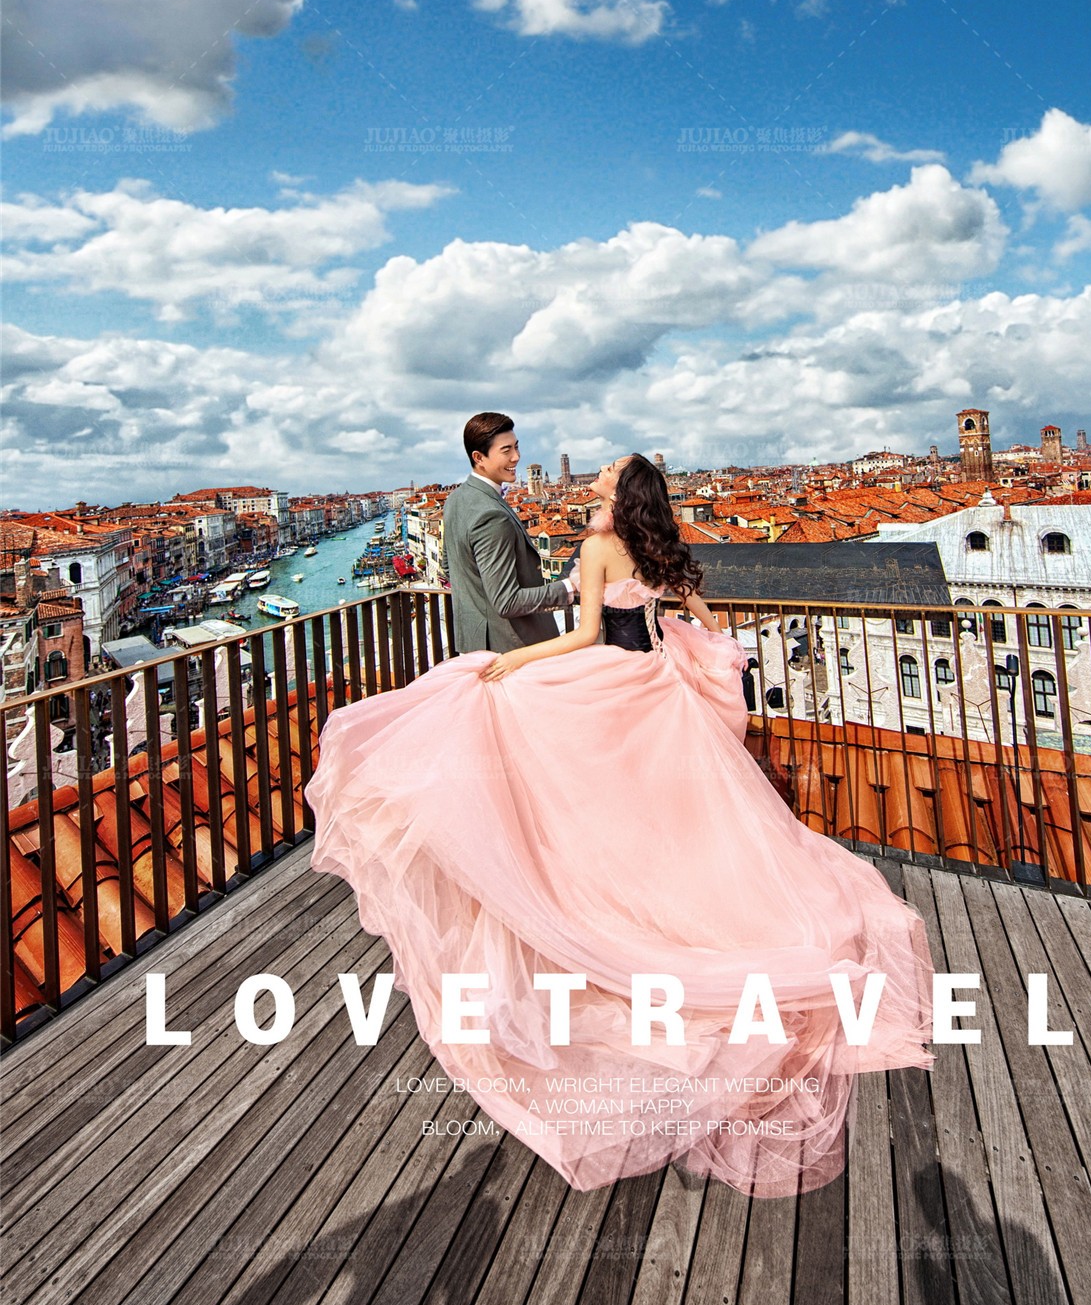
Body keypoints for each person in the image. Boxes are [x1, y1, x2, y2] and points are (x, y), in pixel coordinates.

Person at [305, 452, 935, 1199]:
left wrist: (515, 663)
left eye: (608, 468)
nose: (599, 469)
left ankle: (599, 897)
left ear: (618, 489)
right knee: (668, 814)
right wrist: (720, 645)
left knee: (569, 775)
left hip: (614, 680)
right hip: (662, 685)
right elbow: (696, 609)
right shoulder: (659, 541)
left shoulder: (599, 545)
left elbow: (585, 636)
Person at [440, 412, 576, 653]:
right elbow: (507, 602)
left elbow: (448, 566)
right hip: (510, 646)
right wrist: (569, 587)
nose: (516, 457)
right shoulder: (491, 515)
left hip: (475, 642)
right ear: (479, 457)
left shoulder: (455, 499)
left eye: (516, 447)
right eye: (506, 450)